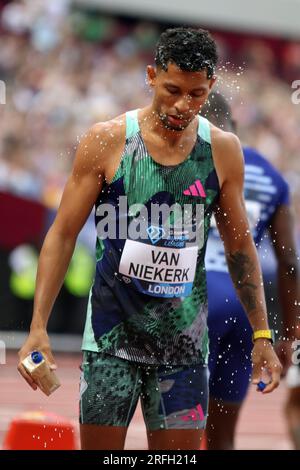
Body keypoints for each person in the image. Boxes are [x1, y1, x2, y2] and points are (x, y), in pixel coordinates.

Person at [17, 27, 282, 451]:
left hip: (184, 348)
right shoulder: (108, 140)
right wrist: (37, 328)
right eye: (172, 89)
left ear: (210, 86)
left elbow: (239, 247)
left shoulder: (223, 150)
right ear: (151, 75)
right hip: (110, 342)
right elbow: (63, 234)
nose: (183, 105)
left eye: (196, 94)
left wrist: (262, 335)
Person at [202, 92, 299, 450]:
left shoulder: (189, 156)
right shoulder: (272, 176)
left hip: (194, 297)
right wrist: (290, 335)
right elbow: (289, 261)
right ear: (235, 127)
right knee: (222, 437)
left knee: (174, 433)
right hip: (248, 305)